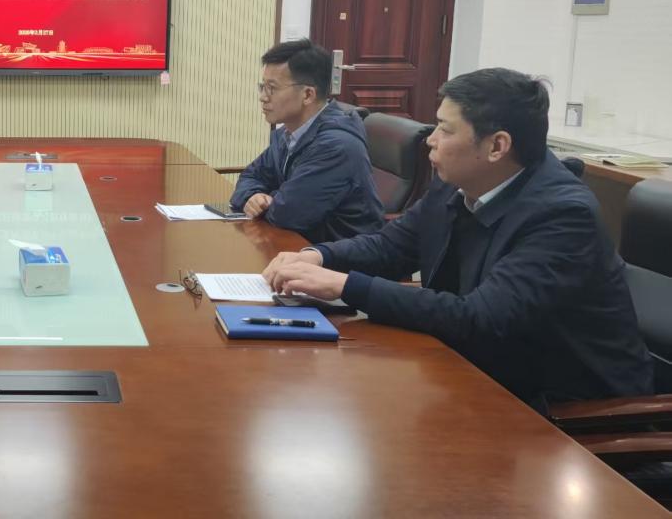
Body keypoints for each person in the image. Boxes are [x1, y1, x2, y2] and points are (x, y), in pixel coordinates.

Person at [263, 68, 652, 411]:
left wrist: (346, 286)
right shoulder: (458, 182)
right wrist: (318, 256)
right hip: (476, 374)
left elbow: (481, 319)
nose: (430, 140)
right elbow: (391, 247)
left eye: (445, 130)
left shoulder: (562, 216)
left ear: (496, 146)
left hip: (561, 411)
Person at [229, 39, 383, 242]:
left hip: (338, 255)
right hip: (299, 245)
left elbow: (287, 214)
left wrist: (268, 201)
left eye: (272, 88)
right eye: (262, 87)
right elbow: (250, 176)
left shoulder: (336, 146)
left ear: (308, 95)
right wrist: (253, 196)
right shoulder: (288, 134)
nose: (263, 97)